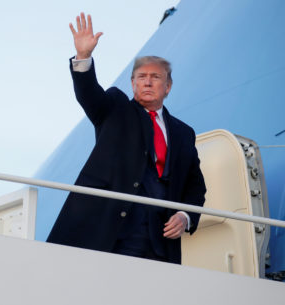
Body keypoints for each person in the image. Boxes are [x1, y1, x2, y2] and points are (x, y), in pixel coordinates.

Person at [47, 13, 206, 264]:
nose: (147, 82)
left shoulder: (184, 133)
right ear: (132, 84)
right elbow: (89, 94)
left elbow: (195, 187)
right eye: (141, 77)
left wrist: (185, 216)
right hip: (113, 231)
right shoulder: (115, 108)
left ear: (168, 86)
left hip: (161, 241)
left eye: (156, 77)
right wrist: (83, 57)